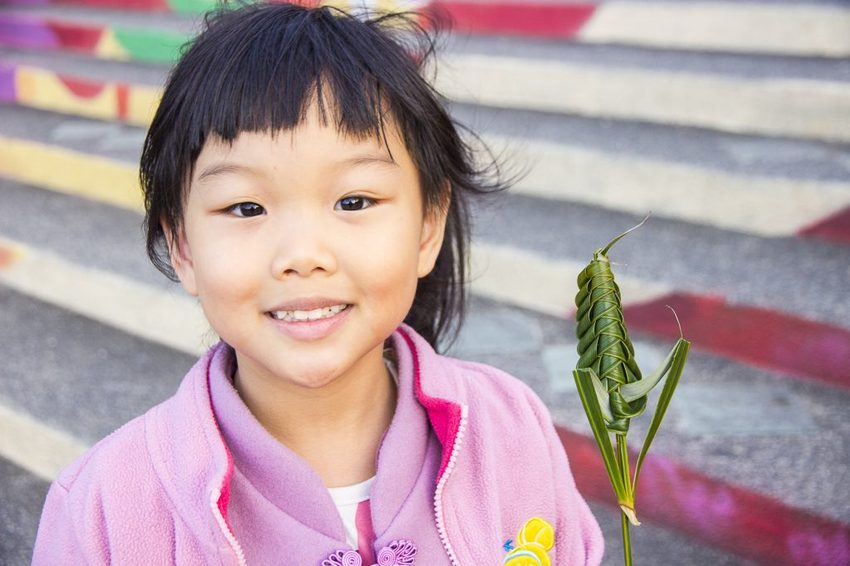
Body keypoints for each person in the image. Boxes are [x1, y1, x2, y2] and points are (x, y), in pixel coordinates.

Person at [32, 3, 603, 564]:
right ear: (183, 247)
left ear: (428, 227)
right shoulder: (105, 507)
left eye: (354, 200)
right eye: (245, 207)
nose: (303, 256)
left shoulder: (509, 429)